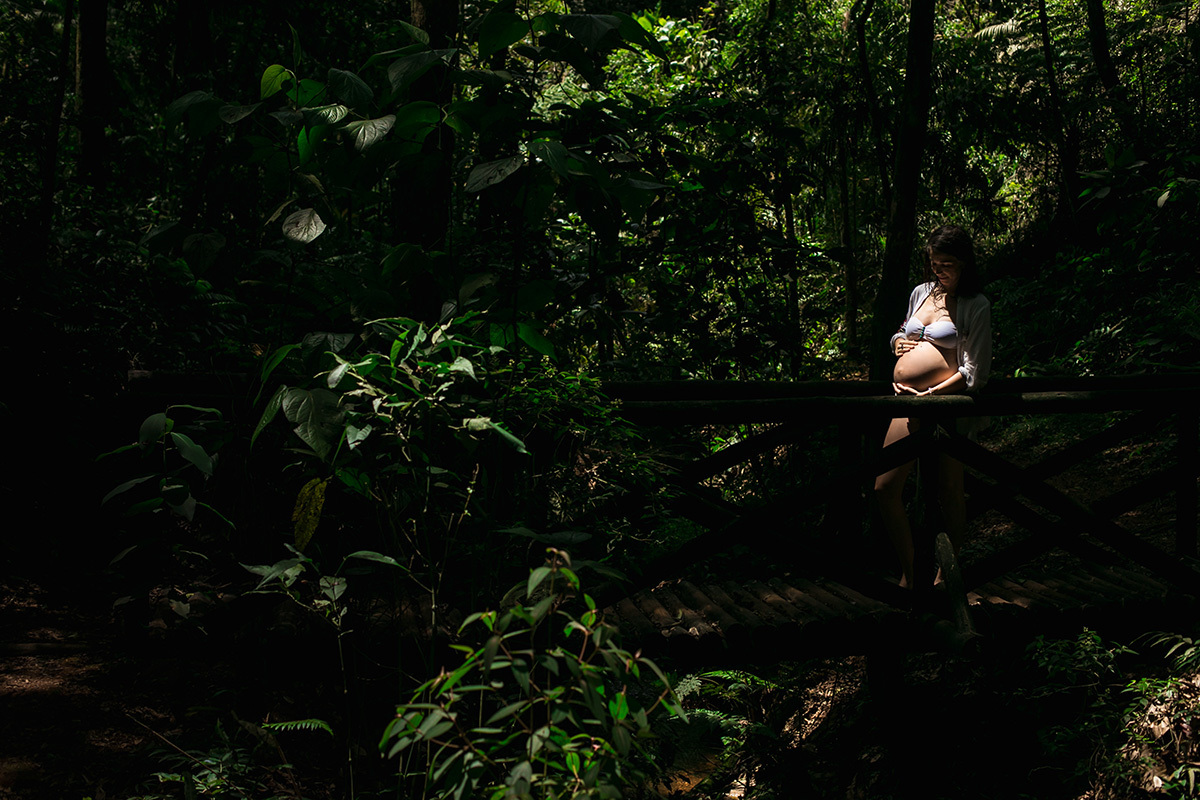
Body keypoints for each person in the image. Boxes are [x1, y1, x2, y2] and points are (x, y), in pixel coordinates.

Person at [874, 224, 992, 589]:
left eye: (948, 265)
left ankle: (947, 579)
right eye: (934, 264)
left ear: (965, 263)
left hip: (946, 407)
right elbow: (904, 332)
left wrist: (934, 395)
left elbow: (975, 371)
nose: (939, 271)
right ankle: (909, 575)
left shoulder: (976, 304)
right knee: (884, 487)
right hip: (907, 403)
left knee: (950, 493)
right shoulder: (922, 293)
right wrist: (897, 344)